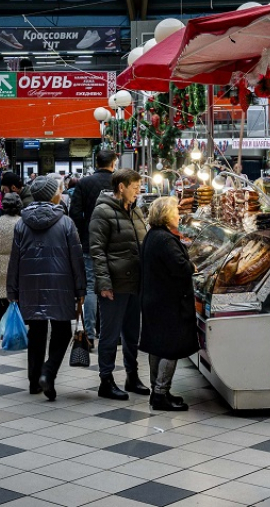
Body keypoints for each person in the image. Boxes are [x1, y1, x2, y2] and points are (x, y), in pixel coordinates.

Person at [7, 176, 85, 400]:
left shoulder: (22, 223)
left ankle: (34, 382)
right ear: (53, 195)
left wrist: (12, 291)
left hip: (30, 286)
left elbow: (15, 260)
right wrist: (81, 289)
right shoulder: (66, 223)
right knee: (62, 332)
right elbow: (76, 258)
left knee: (37, 331)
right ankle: (48, 373)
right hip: (61, 285)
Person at [90, 169, 149, 400]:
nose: (138, 191)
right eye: (134, 187)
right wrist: (104, 283)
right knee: (110, 335)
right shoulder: (102, 212)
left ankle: (132, 376)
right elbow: (97, 251)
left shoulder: (136, 211)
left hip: (135, 283)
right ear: (121, 187)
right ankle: (106, 380)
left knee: (132, 334)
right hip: (114, 285)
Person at [139, 196, 197, 411]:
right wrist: (193, 266)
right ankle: (160, 395)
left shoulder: (153, 236)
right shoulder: (164, 239)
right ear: (165, 215)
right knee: (169, 348)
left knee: (158, 346)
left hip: (155, 299)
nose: (179, 215)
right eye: (175, 212)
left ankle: (159, 390)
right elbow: (180, 267)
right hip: (167, 301)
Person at [69, 149, 118, 346]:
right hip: (116, 243)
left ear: (96, 162)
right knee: (113, 285)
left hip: (90, 243)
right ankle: (112, 333)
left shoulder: (84, 183)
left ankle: (89, 332)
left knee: (90, 287)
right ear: (114, 163)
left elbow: (75, 213)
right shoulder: (119, 182)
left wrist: (86, 232)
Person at [0, 193, 22, 326]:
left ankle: (0, 320)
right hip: (17, 263)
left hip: (0, 262)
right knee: (14, 292)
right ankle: (15, 320)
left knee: (0, 293)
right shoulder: (21, 222)